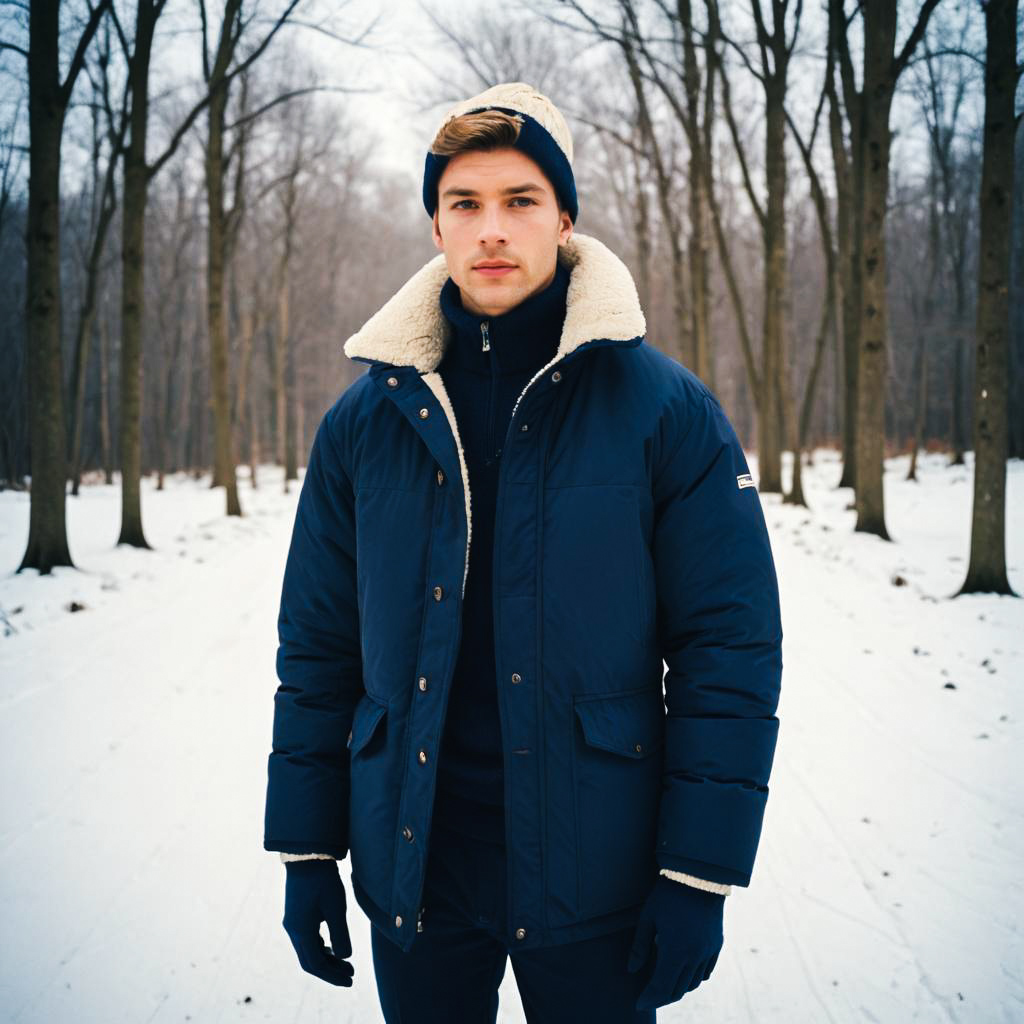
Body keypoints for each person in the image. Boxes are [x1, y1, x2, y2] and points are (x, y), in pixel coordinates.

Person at [263, 82, 783, 1022]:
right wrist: (307, 854)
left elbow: (727, 647)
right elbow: (318, 649)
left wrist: (698, 872)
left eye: (520, 202)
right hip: (416, 868)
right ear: (435, 226)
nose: (490, 229)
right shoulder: (363, 425)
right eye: (465, 203)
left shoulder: (666, 412)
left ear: (566, 221)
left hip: (597, 875)